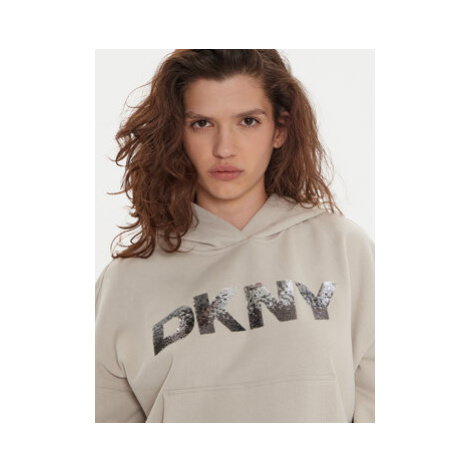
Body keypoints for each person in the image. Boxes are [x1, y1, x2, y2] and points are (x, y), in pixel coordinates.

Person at [95, 49, 375, 423]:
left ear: (279, 130)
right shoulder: (125, 282)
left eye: (248, 121)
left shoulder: (344, 249)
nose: (224, 148)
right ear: (178, 134)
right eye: (201, 123)